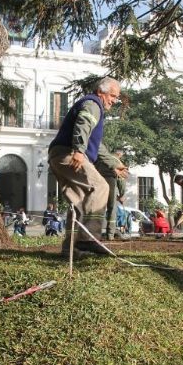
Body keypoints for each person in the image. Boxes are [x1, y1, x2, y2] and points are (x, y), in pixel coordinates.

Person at [48, 76, 128, 257]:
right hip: (69, 154)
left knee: (79, 203)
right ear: (101, 92)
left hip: (59, 155)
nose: (114, 101)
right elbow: (82, 124)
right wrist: (78, 150)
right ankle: (88, 238)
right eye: (113, 96)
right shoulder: (93, 104)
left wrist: (114, 163)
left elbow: (97, 146)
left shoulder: (92, 105)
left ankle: (70, 250)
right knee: (100, 187)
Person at [97, 149, 128, 240]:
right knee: (112, 208)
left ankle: (95, 232)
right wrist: (122, 194)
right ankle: (110, 234)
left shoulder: (102, 159)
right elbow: (121, 180)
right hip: (110, 181)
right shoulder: (117, 161)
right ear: (119, 154)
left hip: (98, 182)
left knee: (98, 208)